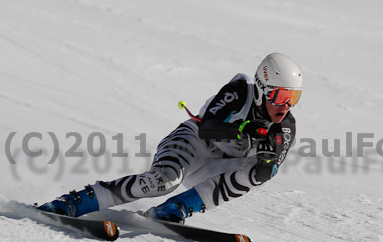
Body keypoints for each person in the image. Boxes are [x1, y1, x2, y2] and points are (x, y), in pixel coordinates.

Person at [37, 52, 302, 223]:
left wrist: (269, 158)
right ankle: (74, 202)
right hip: (193, 143)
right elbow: (207, 128)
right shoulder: (238, 92)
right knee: (161, 182)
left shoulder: (285, 126)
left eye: (294, 98)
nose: (286, 106)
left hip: (215, 166)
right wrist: (244, 130)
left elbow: (268, 171)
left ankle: (176, 208)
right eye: (280, 96)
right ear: (262, 90)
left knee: (260, 172)